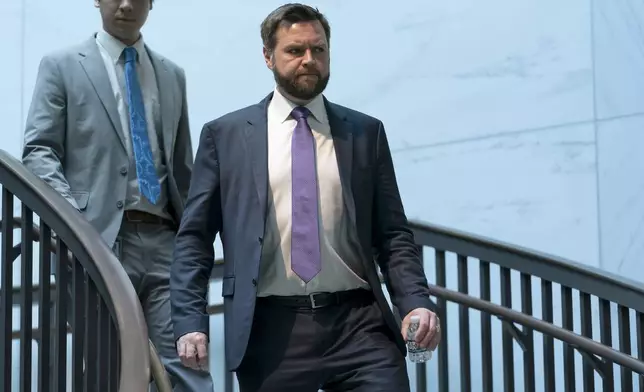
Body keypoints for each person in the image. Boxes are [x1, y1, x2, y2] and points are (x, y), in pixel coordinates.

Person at [171, 3, 442, 391]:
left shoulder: (365, 133)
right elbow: (195, 239)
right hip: (270, 333)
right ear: (268, 57)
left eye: (319, 50)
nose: (309, 60)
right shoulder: (225, 136)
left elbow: (393, 234)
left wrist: (415, 301)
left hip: (359, 326)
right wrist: (190, 323)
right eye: (295, 50)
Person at [21, 0, 214, 390]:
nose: (126, 4)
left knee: (188, 368)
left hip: (166, 242)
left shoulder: (172, 75)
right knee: (113, 369)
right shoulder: (62, 65)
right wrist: (74, 225)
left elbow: (182, 168)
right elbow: (39, 151)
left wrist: (197, 238)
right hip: (97, 242)